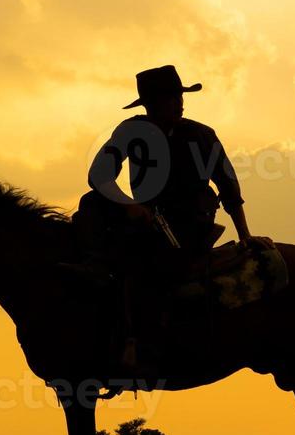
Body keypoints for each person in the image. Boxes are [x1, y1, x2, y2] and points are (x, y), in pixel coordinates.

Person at [80, 65, 266, 367]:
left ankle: (142, 342)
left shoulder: (202, 135)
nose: (180, 103)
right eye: (172, 98)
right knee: (90, 204)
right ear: (152, 105)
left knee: (147, 265)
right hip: (143, 218)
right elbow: (99, 174)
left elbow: (228, 186)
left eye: (180, 97)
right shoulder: (131, 131)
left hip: (189, 224)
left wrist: (245, 234)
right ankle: (92, 268)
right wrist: (128, 204)